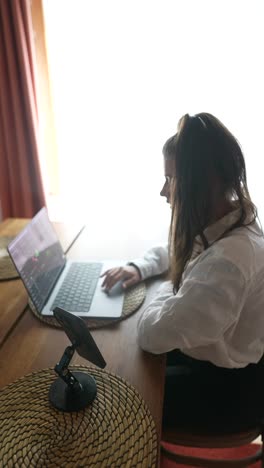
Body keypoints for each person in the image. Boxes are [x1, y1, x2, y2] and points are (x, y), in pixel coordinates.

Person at [101, 113, 264, 430]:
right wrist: (140, 268)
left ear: (200, 184)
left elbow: (151, 334)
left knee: (118, 399)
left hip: (227, 389)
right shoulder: (230, 219)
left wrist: (167, 290)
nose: (163, 191)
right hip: (211, 352)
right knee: (121, 367)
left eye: (170, 178)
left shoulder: (229, 262)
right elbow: (179, 250)